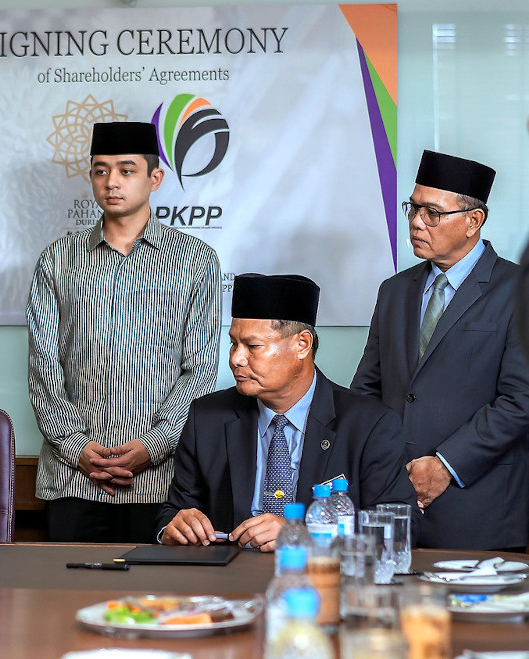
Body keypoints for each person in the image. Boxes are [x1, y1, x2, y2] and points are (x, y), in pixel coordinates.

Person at [27, 121, 221, 543]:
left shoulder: (196, 261)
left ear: (155, 178)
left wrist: (155, 444)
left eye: (126, 170)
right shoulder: (57, 260)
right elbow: (43, 365)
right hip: (72, 480)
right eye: (100, 170)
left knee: (158, 603)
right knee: (67, 602)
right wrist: (75, 447)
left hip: (162, 483)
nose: (111, 182)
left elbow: (202, 369)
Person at [156, 274, 415, 551]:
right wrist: (174, 526)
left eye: (253, 346)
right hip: (229, 581)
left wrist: (302, 534)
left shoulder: (369, 424)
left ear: (302, 344)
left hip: (323, 579)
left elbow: (399, 527)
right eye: (234, 343)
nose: (235, 359)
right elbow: (175, 510)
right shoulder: (207, 417)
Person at [352, 150, 529, 551]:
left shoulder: (517, 288)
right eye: (413, 208)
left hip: (480, 508)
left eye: (432, 212)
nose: (416, 221)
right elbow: (367, 390)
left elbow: (521, 399)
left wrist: (446, 464)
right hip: (394, 505)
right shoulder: (394, 291)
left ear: (473, 221)